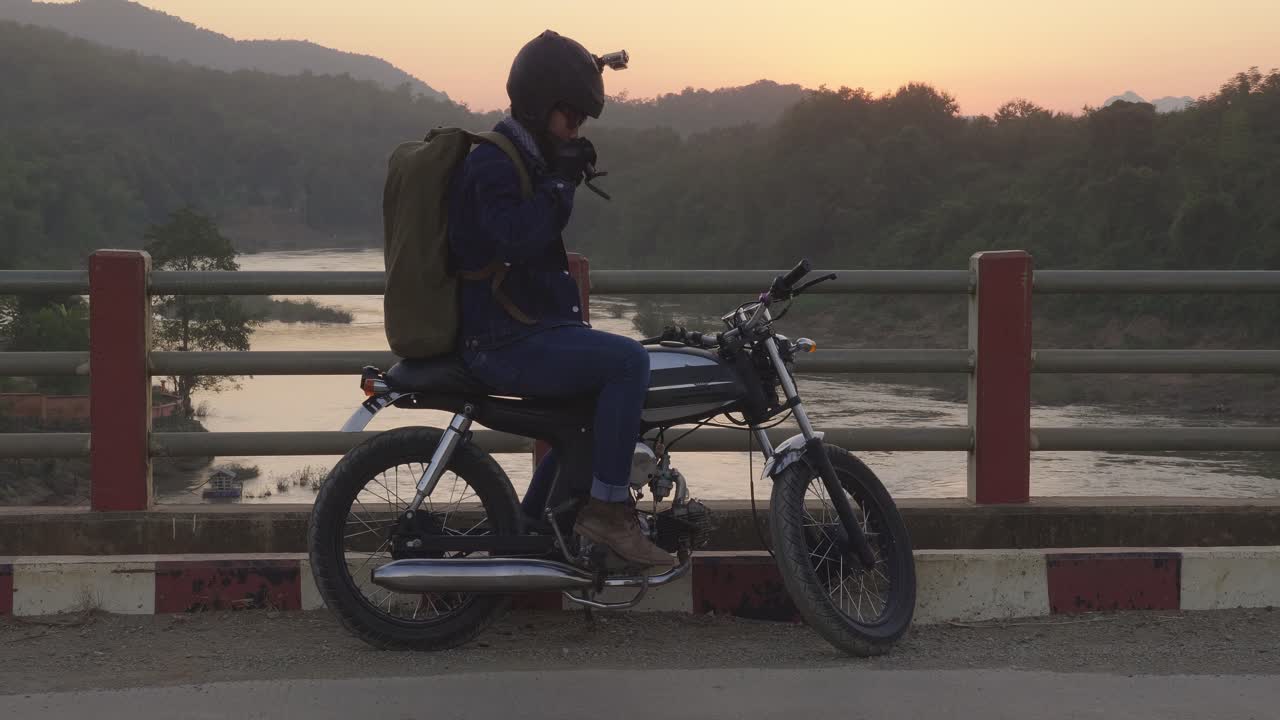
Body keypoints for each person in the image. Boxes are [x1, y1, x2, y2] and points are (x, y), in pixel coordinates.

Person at [447, 30, 671, 568]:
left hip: (524, 332)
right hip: (499, 342)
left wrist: (559, 175)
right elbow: (517, 240)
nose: (576, 130)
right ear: (539, 106)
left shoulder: (524, 161)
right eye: (570, 118)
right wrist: (562, 183)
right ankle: (609, 511)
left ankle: (532, 526)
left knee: (590, 410)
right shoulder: (494, 164)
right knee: (627, 363)